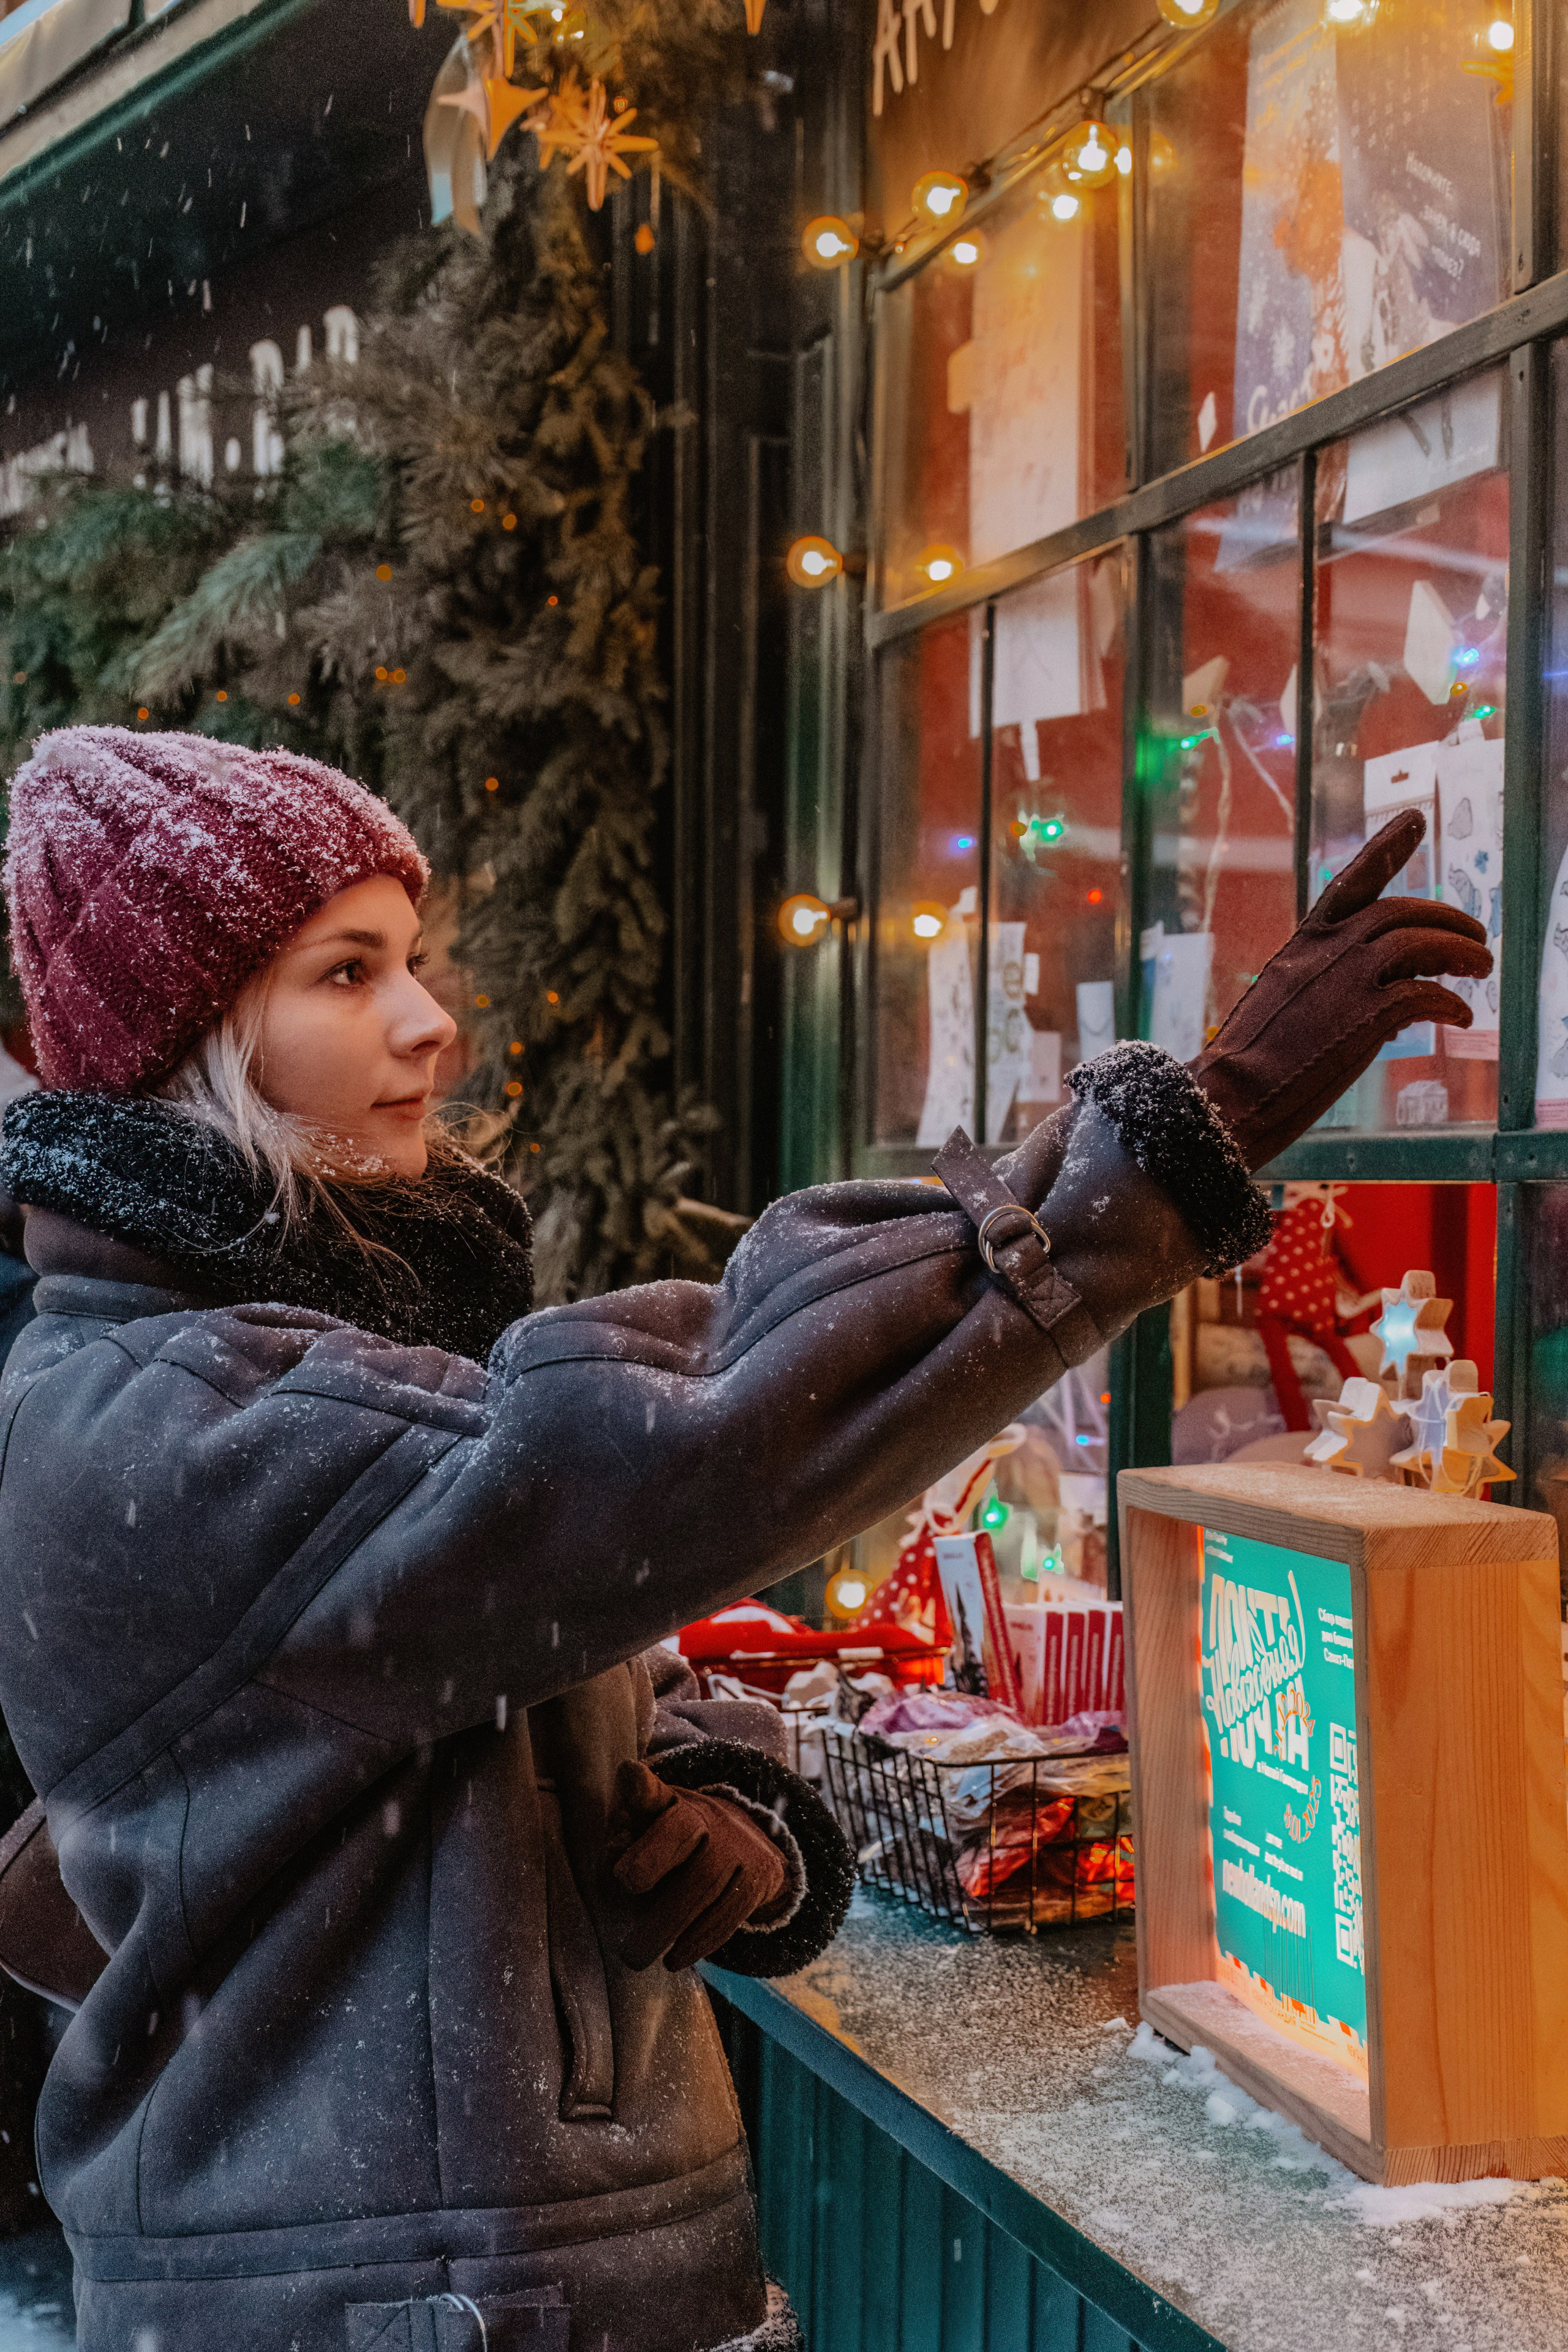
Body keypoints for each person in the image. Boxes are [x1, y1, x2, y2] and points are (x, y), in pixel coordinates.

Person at [0, 729, 1487, 2352]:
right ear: (193, 1048)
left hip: (484, 2284)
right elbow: (647, 1454)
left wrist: (712, 1784)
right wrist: (1156, 1152)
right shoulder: (156, 1412)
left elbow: (541, 1629)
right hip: (406, 2306)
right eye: (345, 975)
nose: (428, 1020)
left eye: (411, 961)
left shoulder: (302, 1349)